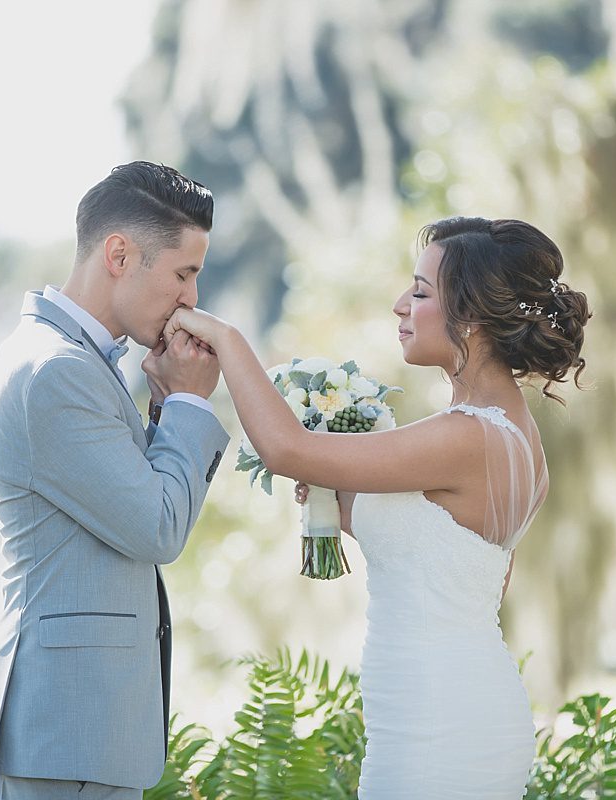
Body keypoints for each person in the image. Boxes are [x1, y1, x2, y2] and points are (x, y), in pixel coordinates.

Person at [164, 216, 591, 799]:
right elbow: (445, 562)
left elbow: (288, 449)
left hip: (439, 726)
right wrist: (343, 507)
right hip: (441, 710)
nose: (399, 306)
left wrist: (226, 339)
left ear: (470, 316)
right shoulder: (513, 439)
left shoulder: (467, 437)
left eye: (419, 292)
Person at [0, 162, 230, 799]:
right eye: (182, 273)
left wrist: (168, 408)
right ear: (119, 253)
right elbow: (157, 526)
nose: (191, 299)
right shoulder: (55, 371)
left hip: (77, 735)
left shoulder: (73, 360)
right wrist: (193, 406)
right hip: (71, 733)